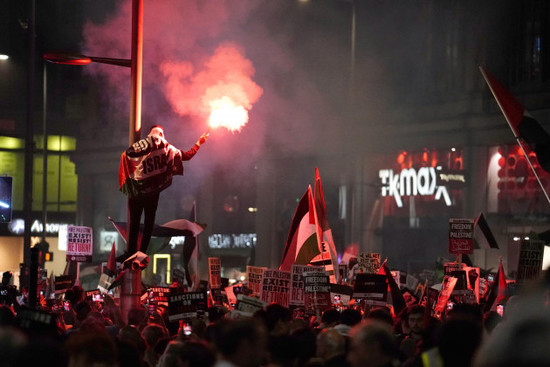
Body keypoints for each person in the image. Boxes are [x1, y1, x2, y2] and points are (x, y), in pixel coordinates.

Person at [119, 125, 209, 257]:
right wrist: (198, 143)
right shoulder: (168, 148)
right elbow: (187, 155)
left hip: (138, 191)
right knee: (148, 223)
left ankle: (131, 252)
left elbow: (127, 155)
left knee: (134, 222)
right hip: (152, 192)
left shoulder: (141, 145)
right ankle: (141, 252)